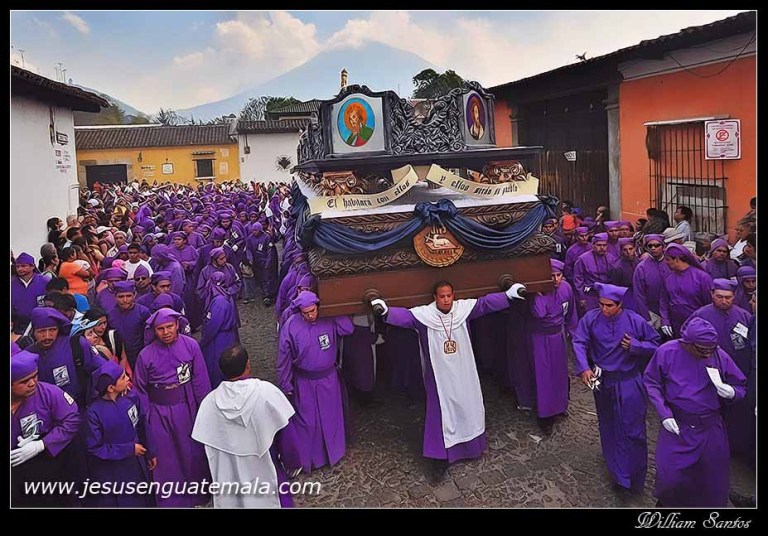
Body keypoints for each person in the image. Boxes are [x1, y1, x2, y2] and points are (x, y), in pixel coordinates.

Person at [371, 280, 527, 482]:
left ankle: (470, 449)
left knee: (468, 407)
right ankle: (439, 459)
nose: (446, 300)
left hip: (464, 372)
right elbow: (406, 317)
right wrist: (385, 311)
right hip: (440, 377)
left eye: (449, 296)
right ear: (435, 298)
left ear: (453, 295)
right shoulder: (425, 316)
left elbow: (485, 304)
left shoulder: (463, 310)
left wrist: (508, 295)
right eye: (442, 296)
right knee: (441, 415)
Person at [644, 317, 747, 507]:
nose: (707, 353)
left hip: (710, 428)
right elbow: (652, 382)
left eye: (710, 349)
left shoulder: (718, 354)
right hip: (679, 426)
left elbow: (740, 384)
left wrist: (732, 392)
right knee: (670, 476)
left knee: (711, 478)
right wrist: (664, 413)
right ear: (687, 343)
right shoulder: (666, 352)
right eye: (702, 350)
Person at [572, 283, 661, 494]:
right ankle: (618, 474)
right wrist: (584, 367)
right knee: (609, 425)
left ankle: (634, 474)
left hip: (629, 382)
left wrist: (636, 346)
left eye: (609, 305)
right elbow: (579, 341)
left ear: (620, 304)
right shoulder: (591, 319)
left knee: (633, 429)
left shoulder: (634, 320)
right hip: (603, 382)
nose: (604, 309)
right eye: (601, 304)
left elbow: (655, 344)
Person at [192, 345, 302, 508]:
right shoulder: (267, 393)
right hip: (266, 472)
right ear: (248, 365)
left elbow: (203, 450)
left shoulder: (209, 404)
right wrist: (292, 465)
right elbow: (287, 438)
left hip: (229, 479)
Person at [133, 308, 212, 507]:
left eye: (169, 327)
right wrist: (145, 417)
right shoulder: (145, 356)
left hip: (186, 408)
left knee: (191, 451)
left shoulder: (191, 346)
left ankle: (197, 494)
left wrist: (205, 409)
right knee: (166, 458)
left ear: (177, 325)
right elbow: (140, 389)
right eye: (160, 329)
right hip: (159, 413)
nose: (166, 332)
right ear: (154, 330)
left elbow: (200, 379)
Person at [277, 291, 354, 474]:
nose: (311, 315)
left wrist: (334, 310)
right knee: (307, 422)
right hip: (305, 382)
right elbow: (283, 358)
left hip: (328, 380)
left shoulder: (328, 318)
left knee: (331, 418)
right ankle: (309, 459)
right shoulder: (291, 326)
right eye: (306, 313)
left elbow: (348, 329)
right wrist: (285, 383)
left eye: (313, 311)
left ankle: (334, 453)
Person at [682, 278, 753, 463]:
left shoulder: (744, 316)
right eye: (720, 296)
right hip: (707, 370)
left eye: (728, 297)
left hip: (738, 370)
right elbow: (686, 337)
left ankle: (734, 445)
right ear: (712, 294)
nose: (724, 301)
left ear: (734, 297)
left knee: (736, 410)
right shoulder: (700, 315)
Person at [11, 351, 82, 507]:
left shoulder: (49, 393)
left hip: (46, 469)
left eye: (34, 376)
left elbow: (72, 419)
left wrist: (42, 444)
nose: (32, 383)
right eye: (24, 381)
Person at [84, 360, 156, 507]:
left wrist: (150, 451)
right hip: (112, 472)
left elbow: (142, 425)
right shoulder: (94, 413)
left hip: (136, 463)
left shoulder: (131, 397)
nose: (128, 378)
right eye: (123, 378)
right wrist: (129, 449)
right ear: (111, 388)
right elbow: (95, 448)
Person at [526, 259, 578, 428]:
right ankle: (545, 413)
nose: (556, 280)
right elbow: (539, 313)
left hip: (558, 336)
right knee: (543, 375)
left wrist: (573, 333)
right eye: (552, 276)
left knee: (559, 372)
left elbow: (571, 312)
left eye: (558, 275)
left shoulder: (566, 288)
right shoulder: (536, 293)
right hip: (540, 338)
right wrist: (538, 294)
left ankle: (560, 406)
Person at [659, 244, 712, 338]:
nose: (666, 262)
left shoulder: (702, 277)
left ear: (677, 259)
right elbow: (664, 301)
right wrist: (665, 321)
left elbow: (709, 304)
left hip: (697, 326)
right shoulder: (668, 278)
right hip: (676, 326)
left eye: (668, 259)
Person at [200, 272, 240, 389]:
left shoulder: (219, 302)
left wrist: (203, 342)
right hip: (227, 337)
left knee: (217, 366)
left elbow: (213, 325)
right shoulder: (225, 296)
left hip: (219, 339)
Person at [108, 280, 152, 370]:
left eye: (128, 296)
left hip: (140, 355)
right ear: (115, 297)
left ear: (134, 295)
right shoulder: (110, 315)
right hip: (119, 359)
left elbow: (149, 336)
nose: (125, 300)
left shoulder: (143, 312)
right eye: (121, 296)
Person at [632, 234, 670, 330]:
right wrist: (647, 318)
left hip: (671, 310)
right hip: (652, 311)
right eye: (650, 246)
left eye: (657, 245)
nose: (653, 248)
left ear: (663, 247)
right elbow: (639, 295)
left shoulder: (671, 263)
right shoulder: (641, 268)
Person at [11, 252, 50, 335]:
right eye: (17, 266)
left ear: (32, 266)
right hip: (18, 327)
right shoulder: (12, 284)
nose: (20, 269)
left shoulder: (45, 281)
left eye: (23, 266)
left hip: (41, 324)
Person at [573, 233, 612, 313]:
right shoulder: (583, 259)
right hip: (589, 295)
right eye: (599, 245)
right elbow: (578, 279)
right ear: (593, 245)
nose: (602, 248)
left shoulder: (611, 258)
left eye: (604, 245)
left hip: (606, 294)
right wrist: (581, 297)